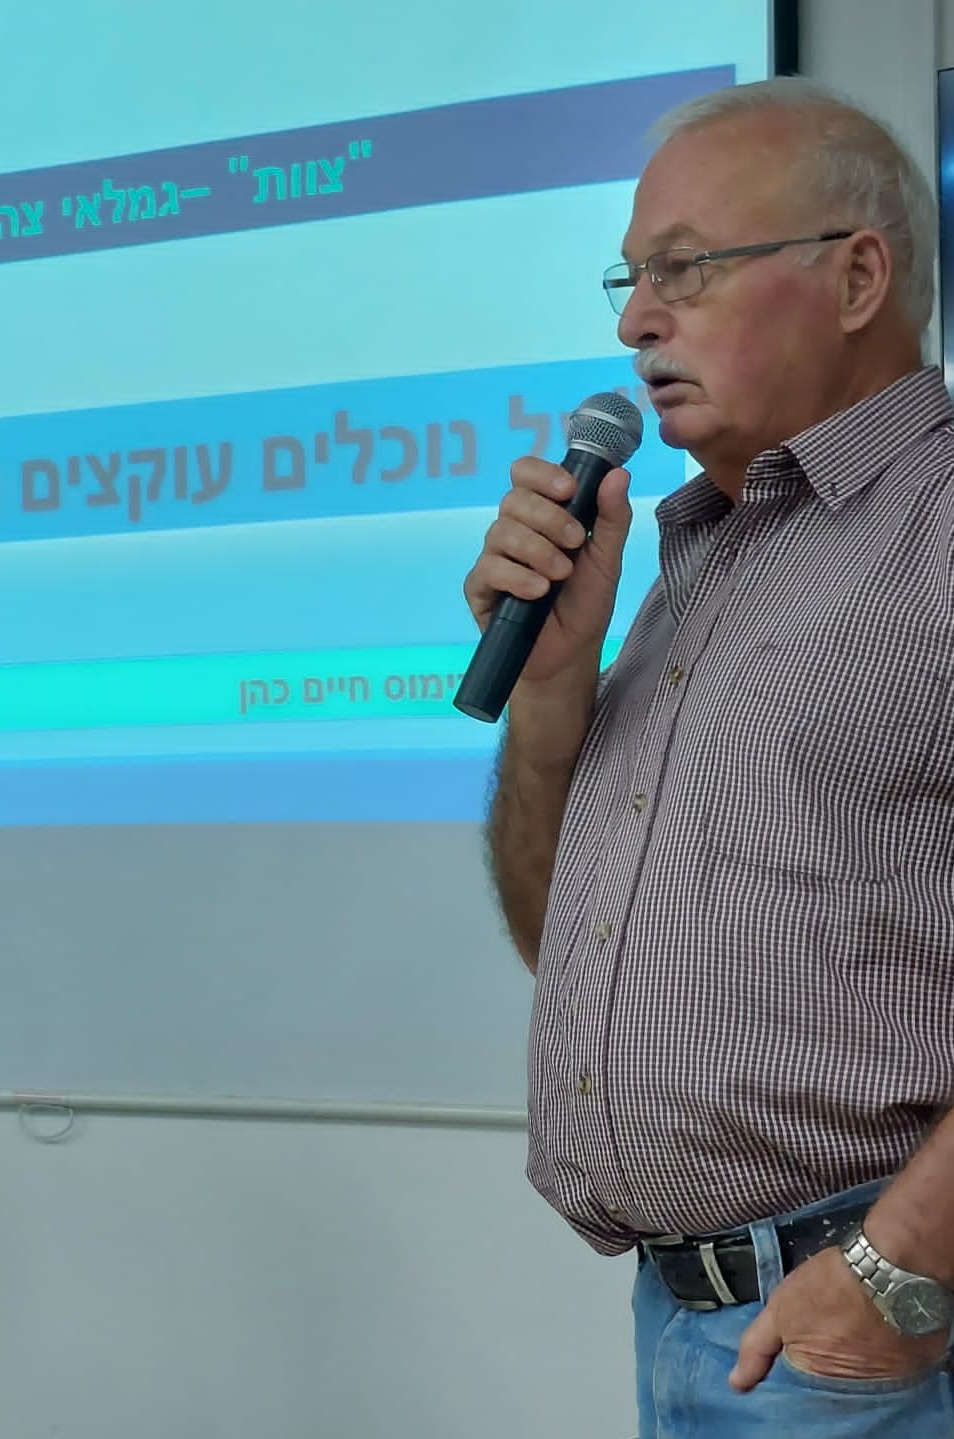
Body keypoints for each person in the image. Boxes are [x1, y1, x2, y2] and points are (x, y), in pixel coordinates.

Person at [464, 76, 954, 1435]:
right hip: (691, 1325)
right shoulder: (696, 563)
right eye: (629, 277)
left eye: (683, 267)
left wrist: (893, 1272)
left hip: (878, 1330)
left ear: (855, 277)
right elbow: (556, 936)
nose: (633, 319)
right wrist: (550, 693)